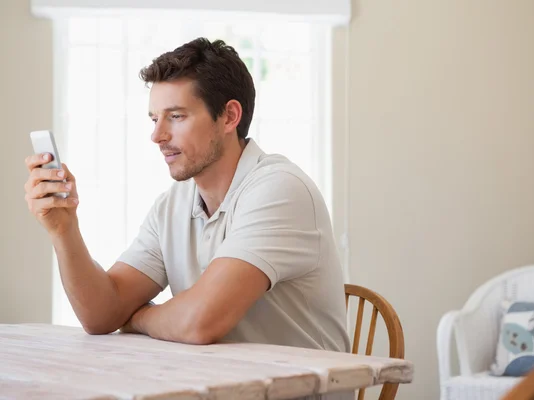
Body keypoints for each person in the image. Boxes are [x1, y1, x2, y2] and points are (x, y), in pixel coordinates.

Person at [23, 38, 350, 355]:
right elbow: (100, 314)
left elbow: (199, 322)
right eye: (154, 119)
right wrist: (64, 230)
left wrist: (136, 317)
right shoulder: (172, 205)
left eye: (176, 116)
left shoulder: (280, 190)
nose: (157, 136)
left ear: (229, 116)